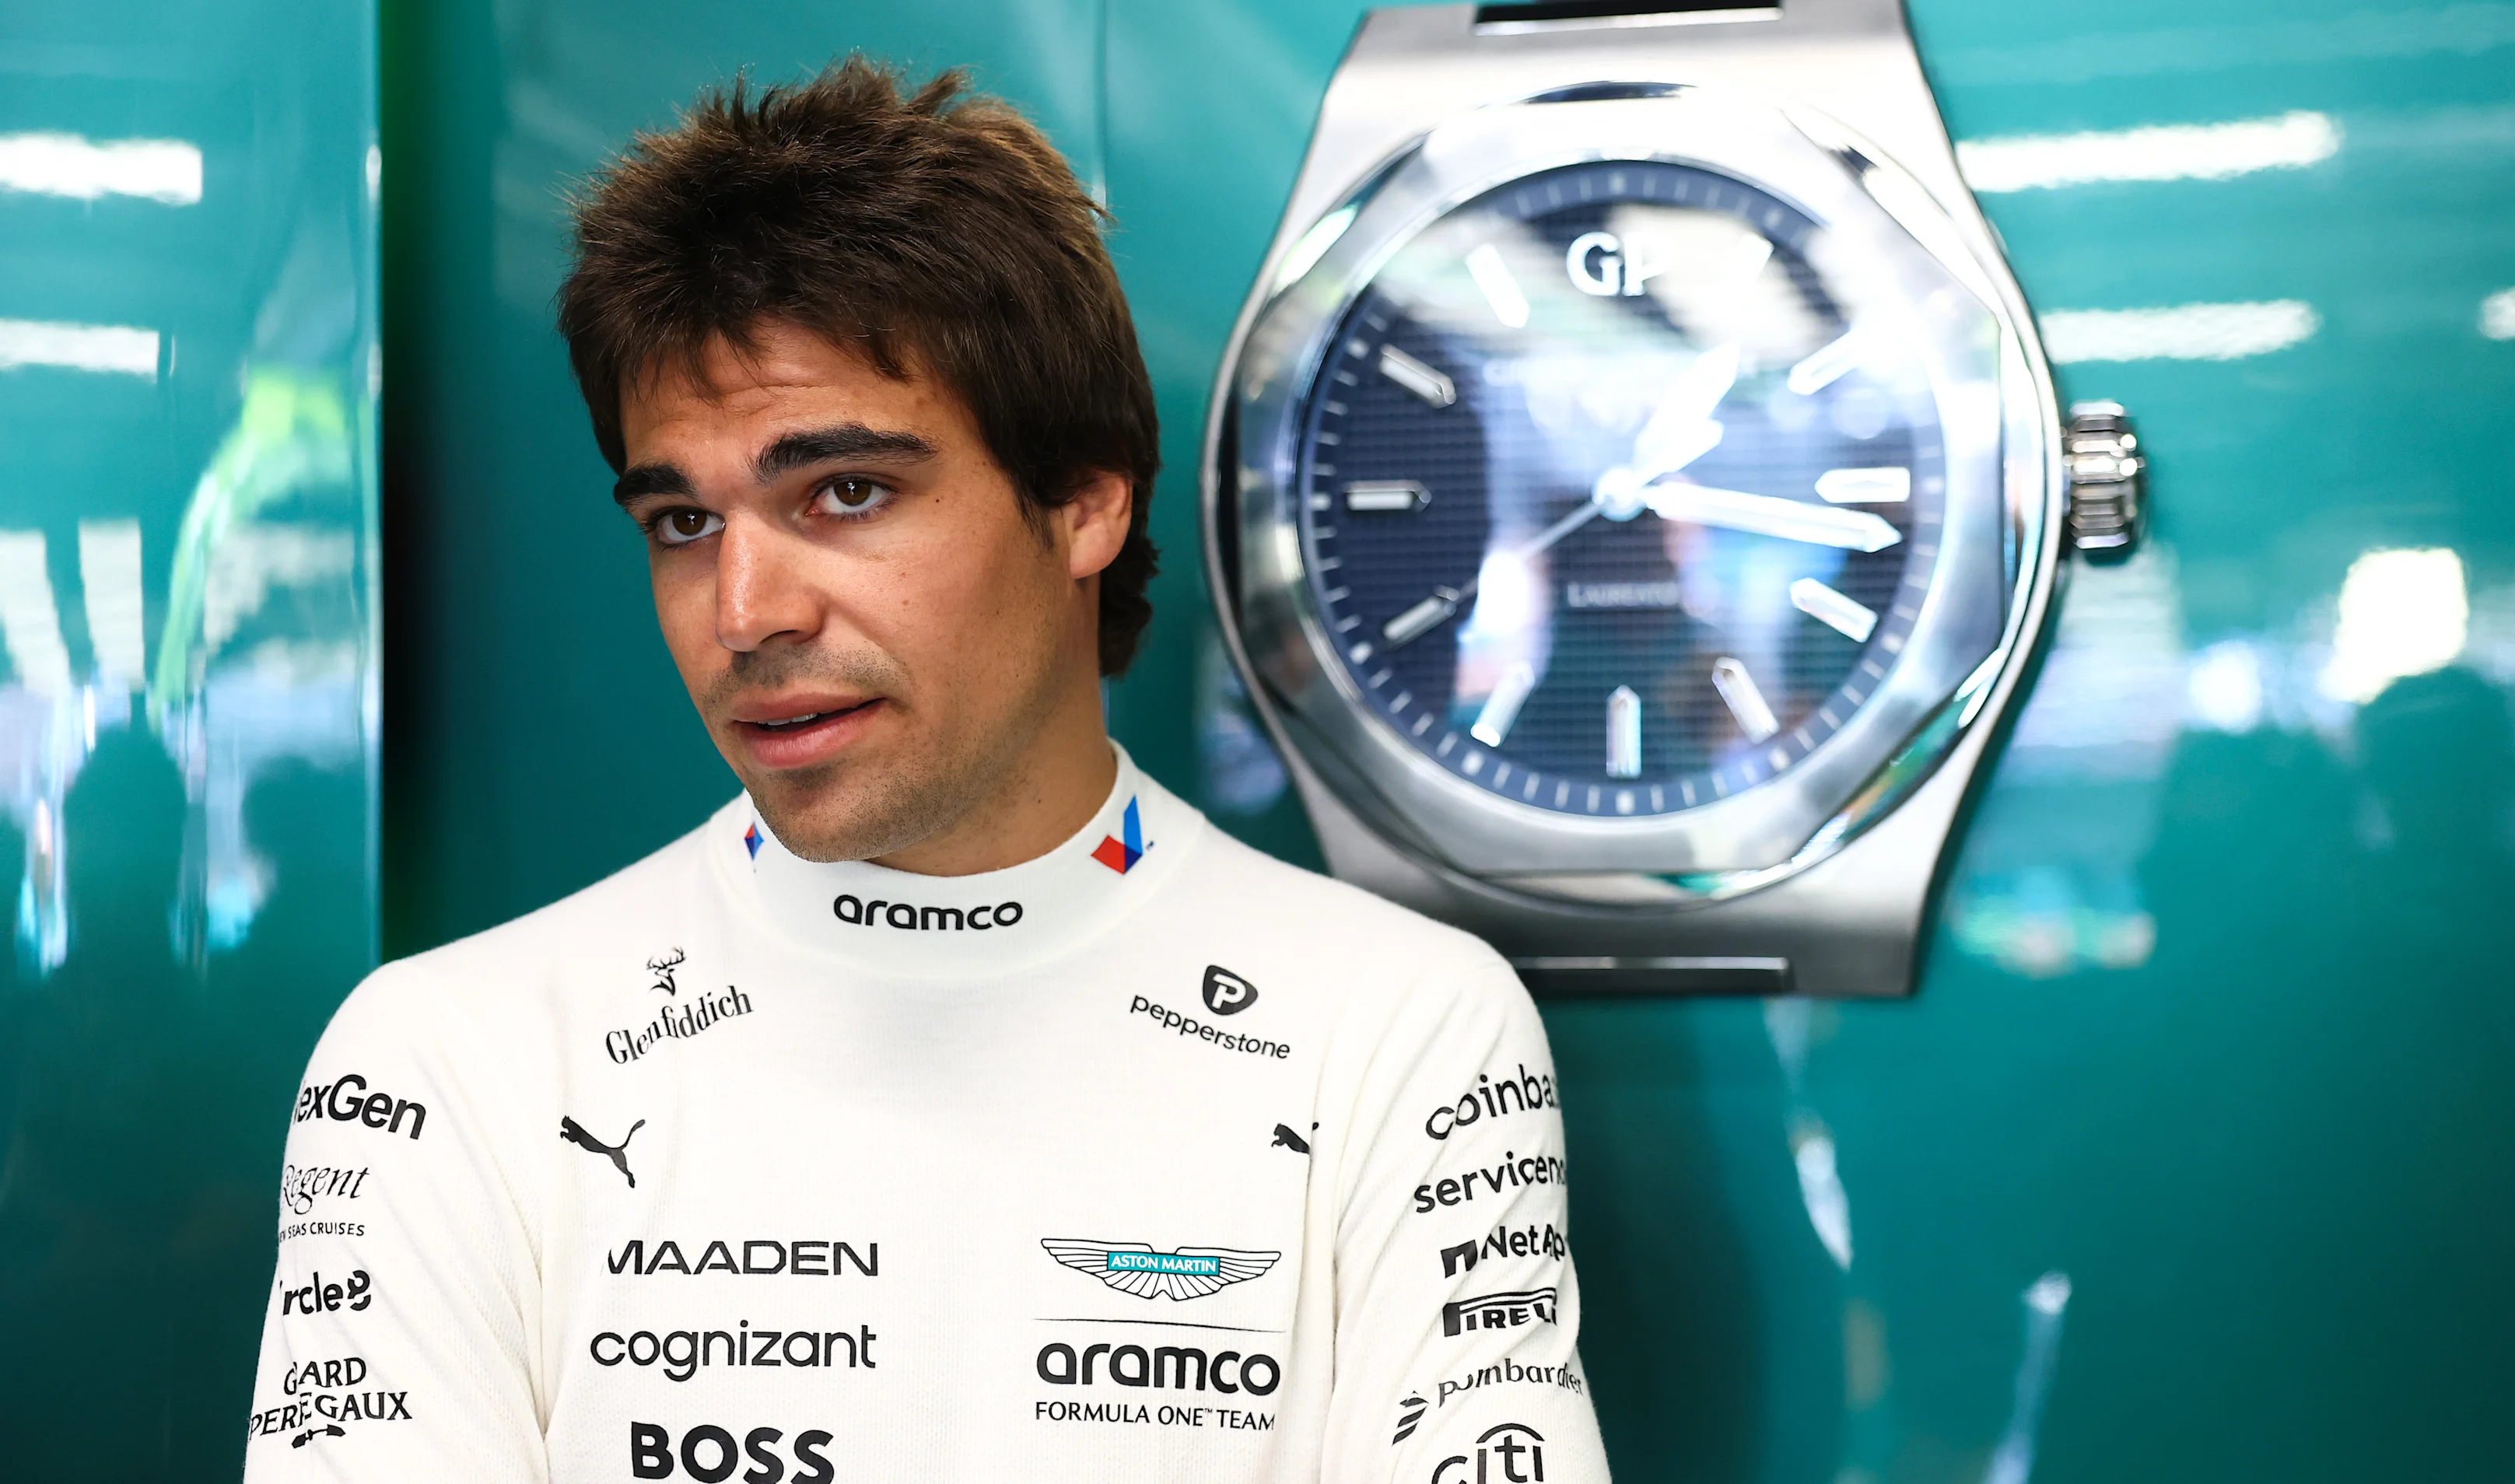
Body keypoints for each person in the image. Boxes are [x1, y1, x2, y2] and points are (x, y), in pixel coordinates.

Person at [246, 57, 1606, 1484]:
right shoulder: (448, 1059)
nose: (746, 613)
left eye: (844, 492)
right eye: (682, 521)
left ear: (1082, 499)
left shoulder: (1396, 1031)